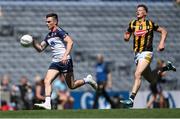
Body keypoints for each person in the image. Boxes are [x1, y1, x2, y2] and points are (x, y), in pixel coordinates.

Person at [33, 13, 97, 110]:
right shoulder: (48, 35)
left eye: (49, 21)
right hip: (55, 62)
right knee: (47, 80)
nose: (47, 23)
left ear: (55, 22)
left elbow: (70, 41)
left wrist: (65, 56)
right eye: (46, 22)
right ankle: (47, 103)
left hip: (65, 61)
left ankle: (87, 80)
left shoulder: (59, 31)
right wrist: (32, 43)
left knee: (72, 85)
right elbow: (40, 48)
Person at [120, 4, 176, 108]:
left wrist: (161, 43)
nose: (138, 12)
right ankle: (166, 67)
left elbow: (163, 31)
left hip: (147, 53)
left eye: (140, 10)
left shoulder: (149, 24)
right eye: (137, 10)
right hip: (137, 55)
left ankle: (131, 99)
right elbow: (127, 34)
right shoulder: (132, 23)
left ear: (145, 13)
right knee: (152, 79)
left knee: (137, 74)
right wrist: (126, 36)